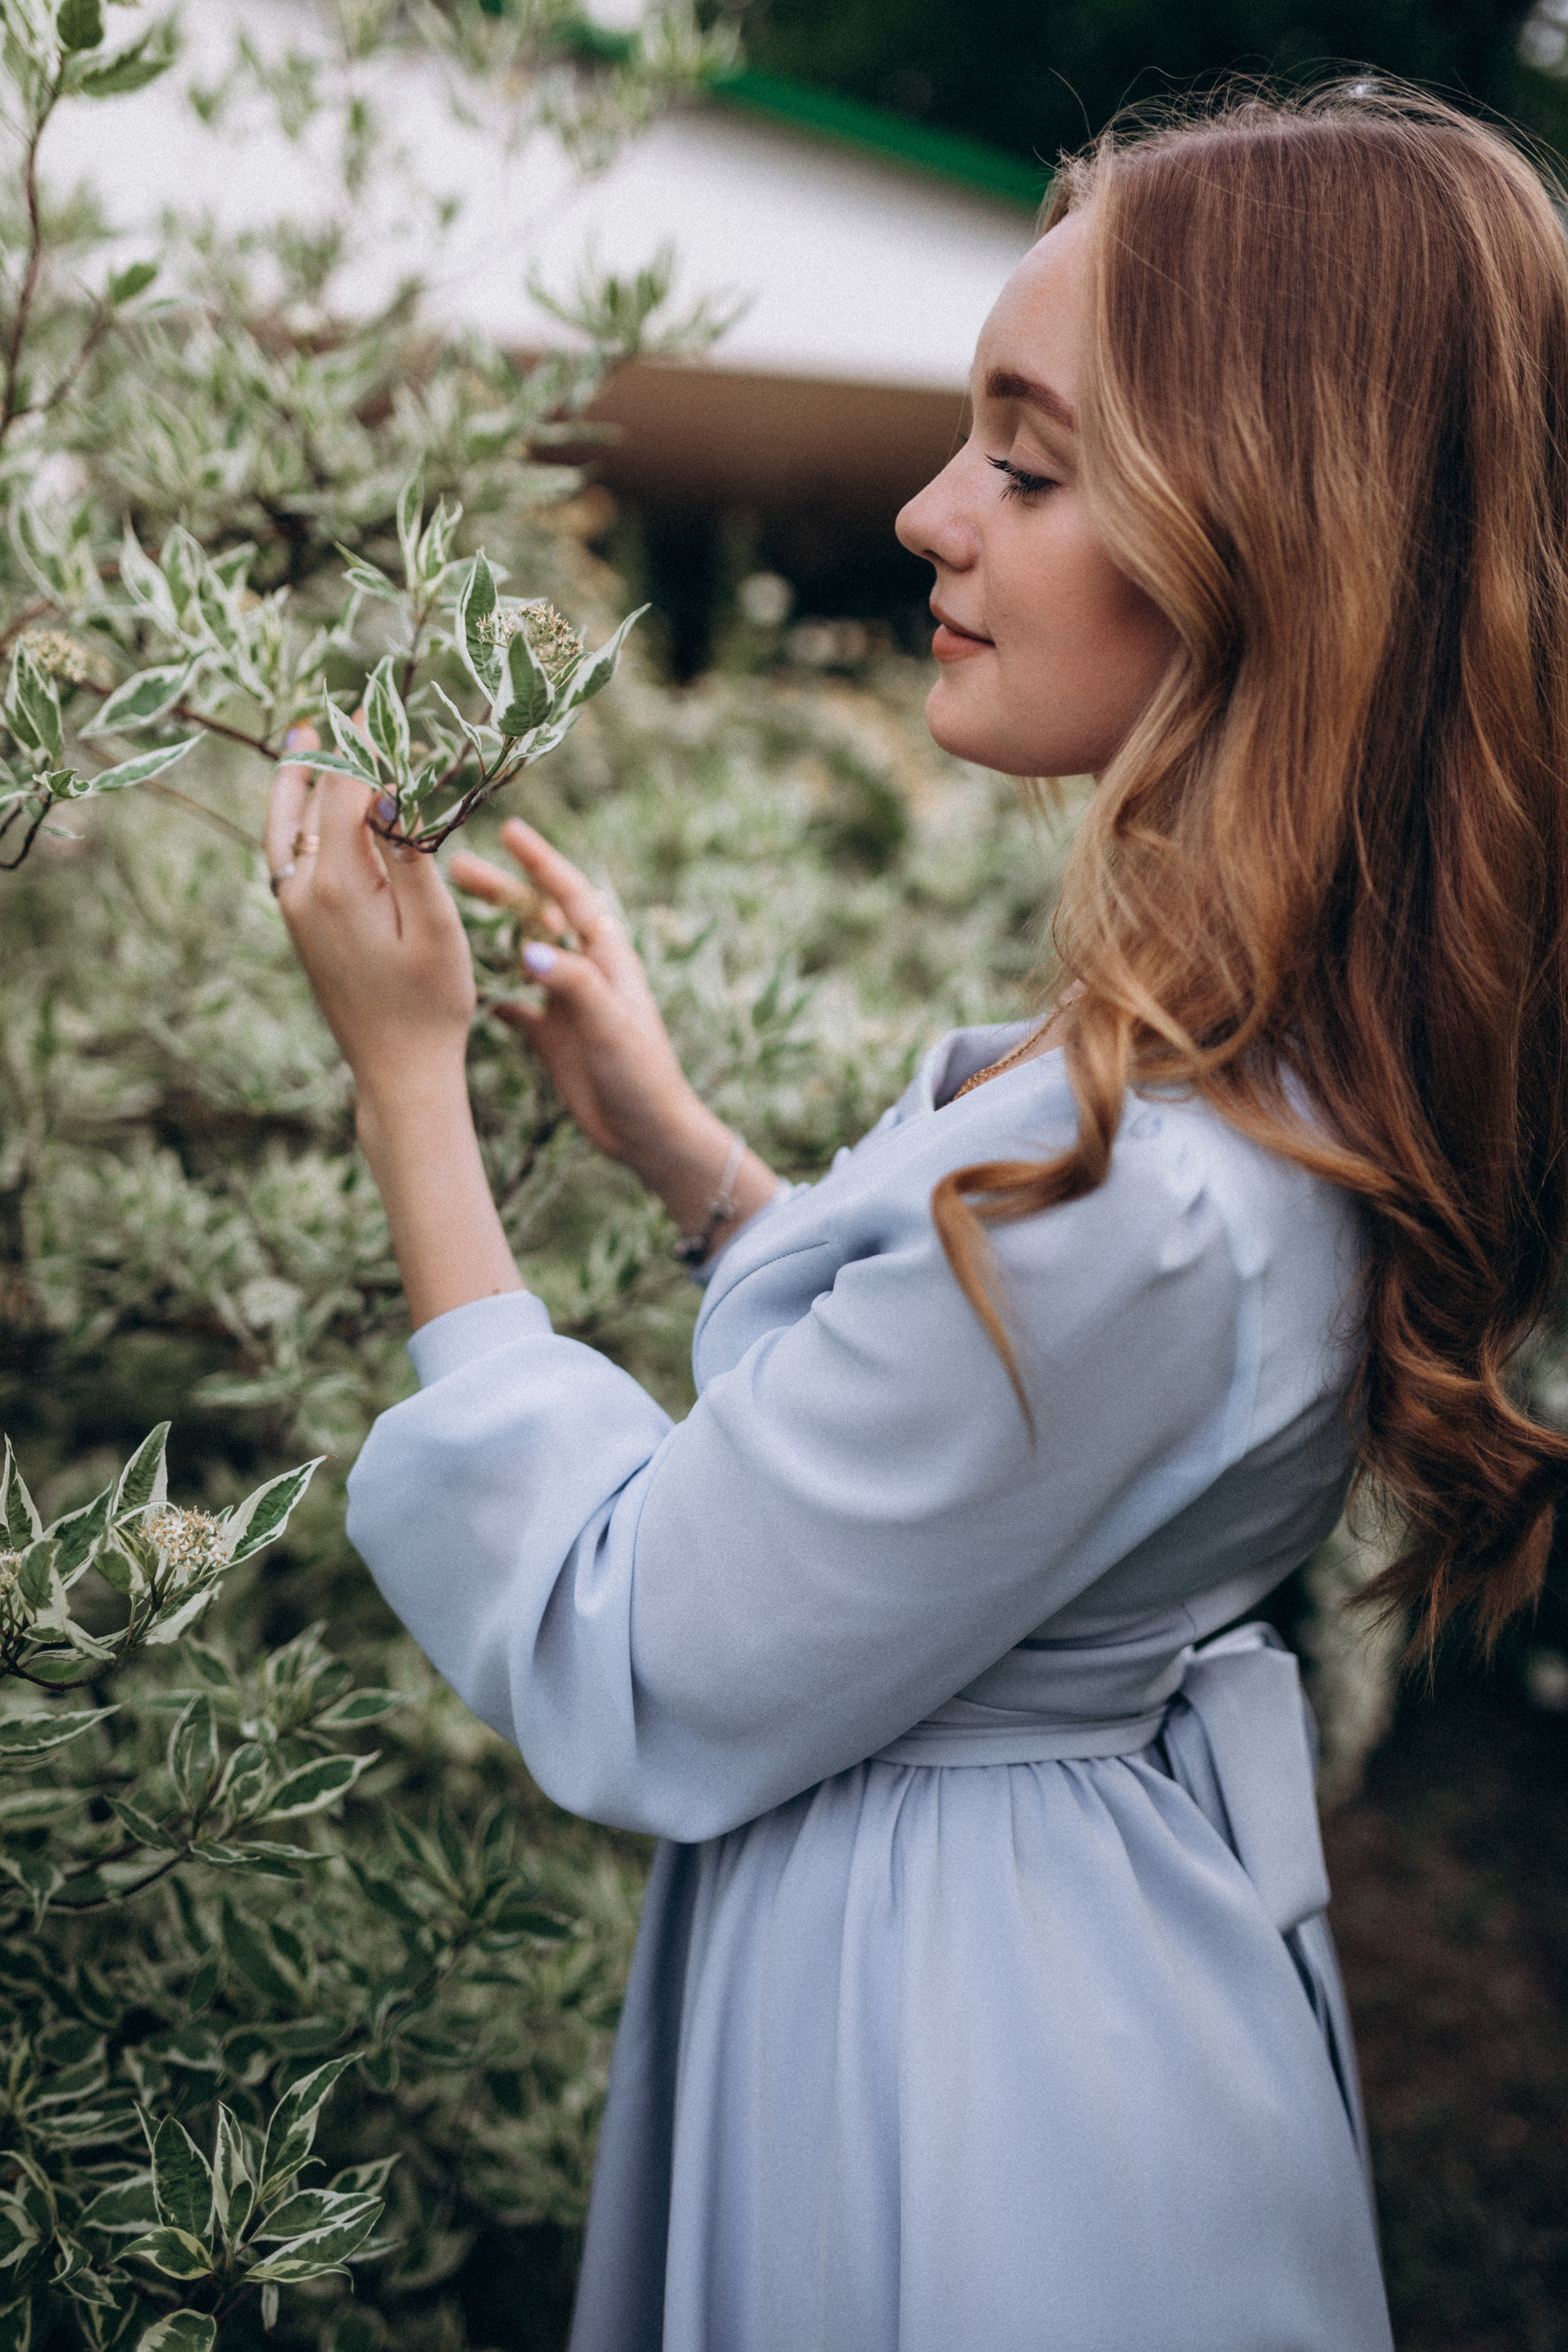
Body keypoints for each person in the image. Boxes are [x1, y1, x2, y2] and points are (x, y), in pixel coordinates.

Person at [265, 85, 1568, 2352]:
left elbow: (636, 1645)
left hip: (952, 2076)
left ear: (1277, 545)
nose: (927, 511)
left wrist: (410, 1086)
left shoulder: (1140, 1186)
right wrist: (694, 1159)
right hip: (1076, 1978)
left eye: (1031, 465)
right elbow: (974, 1449)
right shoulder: (1255, 1092)